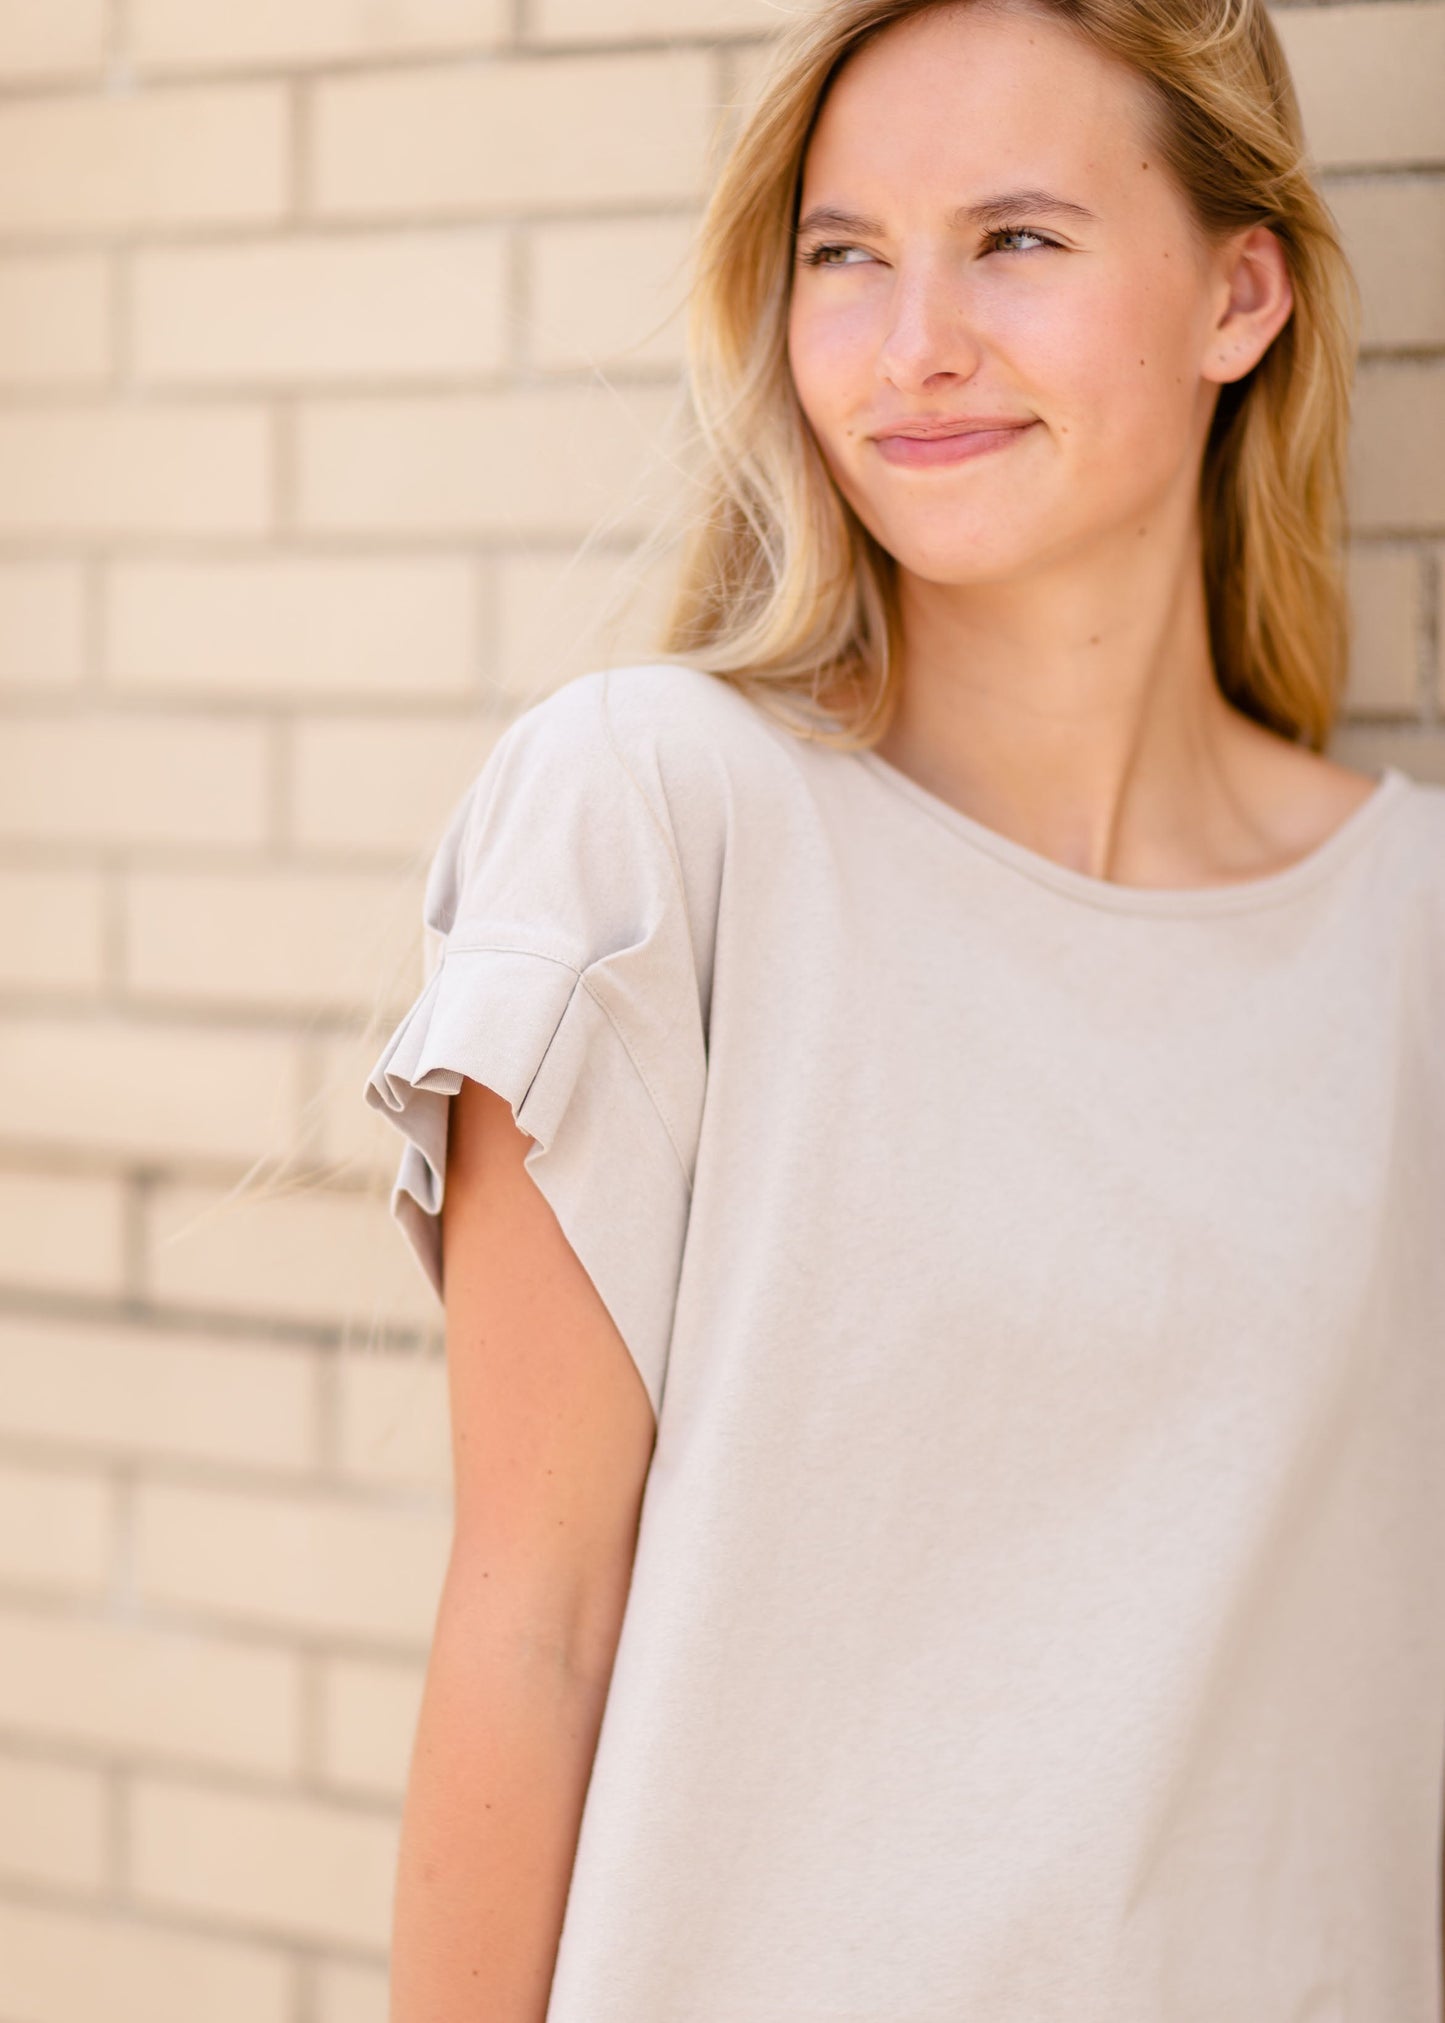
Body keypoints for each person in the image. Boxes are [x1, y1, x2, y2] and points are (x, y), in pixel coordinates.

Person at [364, 0, 1445, 2017]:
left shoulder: (1412, 943)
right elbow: (537, 1624)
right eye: (844, 255)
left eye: (1015, 240)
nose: (912, 342)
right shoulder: (660, 822)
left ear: (1240, 292)